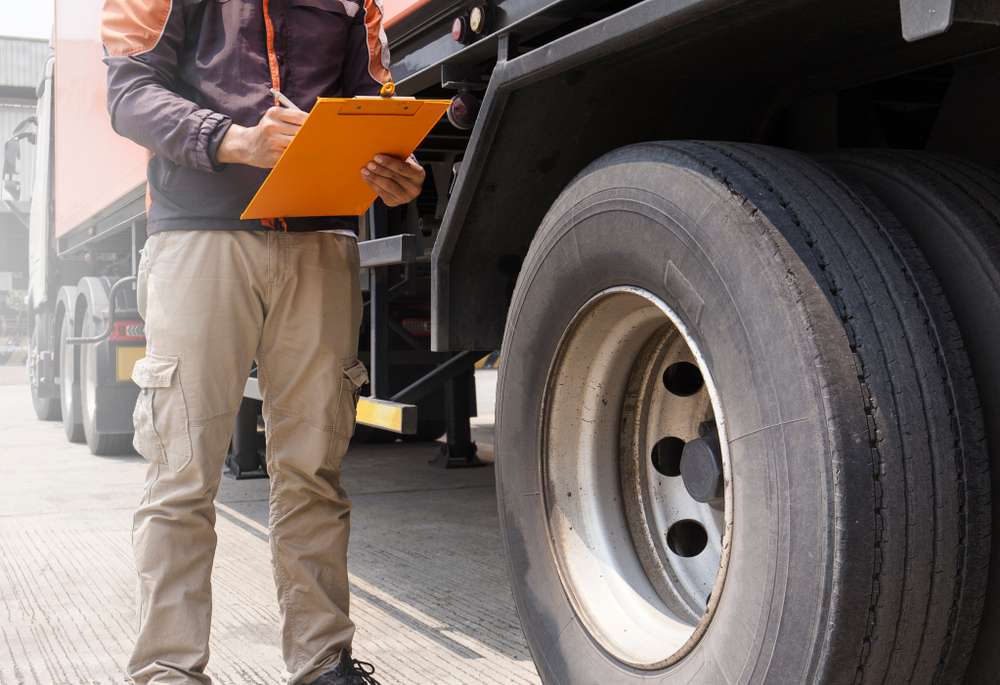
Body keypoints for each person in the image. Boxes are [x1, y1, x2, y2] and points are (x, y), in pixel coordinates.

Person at [101, 1, 425, 683]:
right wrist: (234, 139)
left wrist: (396, 168)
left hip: (320, 239)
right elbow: (129, 93)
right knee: (182, 470)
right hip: (199, 238)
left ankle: (321, 660)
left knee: (313, 469)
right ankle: (168, 666)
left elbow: (371, 103)